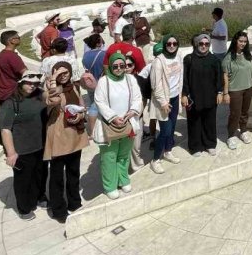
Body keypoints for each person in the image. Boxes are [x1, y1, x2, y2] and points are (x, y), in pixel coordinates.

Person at [0, 72, 48, 219]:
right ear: (20, 83)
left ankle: (40, 196)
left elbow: (52, 96)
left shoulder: (39, 94)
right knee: (23, 180)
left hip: (41, 145)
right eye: (28, 83)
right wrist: (11, 153)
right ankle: (24, 208)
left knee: (41, 174)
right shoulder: (10, 103)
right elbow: (5, 129)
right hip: (22, 150)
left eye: (35, 83)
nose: (32, 86)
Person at [43, 61, 88, 223]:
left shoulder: (74, 87)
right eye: (59, 73)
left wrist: (80, 116)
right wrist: (53, 78)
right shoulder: (48, 89)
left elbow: (83, 107)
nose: (63, 76)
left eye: (65, 73)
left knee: (73, 172)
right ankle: (58, 209)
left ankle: (74, 202)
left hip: (75, 134)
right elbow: (52, 100)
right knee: (56, 176)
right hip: (59, 136)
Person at [92, 51, 142, 199]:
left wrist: (133, 111)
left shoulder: (130, 79)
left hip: (128, 123)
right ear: (110, 67)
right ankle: (110, 186)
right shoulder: (104, 81)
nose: (119, 68)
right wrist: (113, 117)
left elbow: (137, 97)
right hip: (109, 126)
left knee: (124, 155)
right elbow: (99, 101)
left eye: (123, 65)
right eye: (116, 66)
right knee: (109, 157)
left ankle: (123, 179)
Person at [183, 33, 224, 156]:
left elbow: (219, 78)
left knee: (209, 121)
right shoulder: (189, 59)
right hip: (193, 97)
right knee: (194, 121)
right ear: (196, 44)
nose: (204, 46)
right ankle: (195, 147)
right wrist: (184, 94)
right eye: (201, 43)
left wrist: (220, 92)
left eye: (206, 44)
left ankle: (210, 144)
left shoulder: (214, 60)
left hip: (210, 96)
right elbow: (184, 78)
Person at [149, 35, 183, 170]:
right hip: (164, 100)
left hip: (175, 98)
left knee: (172, 127)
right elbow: (155, 85)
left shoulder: (178, 56)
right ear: (164, 44)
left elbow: (180, 77)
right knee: (165, 130)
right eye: (169, 43)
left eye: (175, 43)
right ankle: (155, 159)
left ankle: (168, 151)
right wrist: (163, 102)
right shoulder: (158, 61)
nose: (172, 46)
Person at [221, 31, 252, 149]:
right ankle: (231, 135)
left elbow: (249, 71)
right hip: (235, 90)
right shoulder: (228, 57)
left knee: (245, 112)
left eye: (245, 41)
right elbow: (225, 76)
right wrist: (225, 93)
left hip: (248, 88)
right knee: (235, 114)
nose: (243, 44)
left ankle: (243, 131)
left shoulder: (247, 55)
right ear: (235, 41)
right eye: (241, 41)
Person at [0, 30, 26, 105]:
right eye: (18, 37)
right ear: (12, 40)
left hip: (2, 96)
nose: (20, 39)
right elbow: (26, 74)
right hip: (15, 95)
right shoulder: (12, 56)